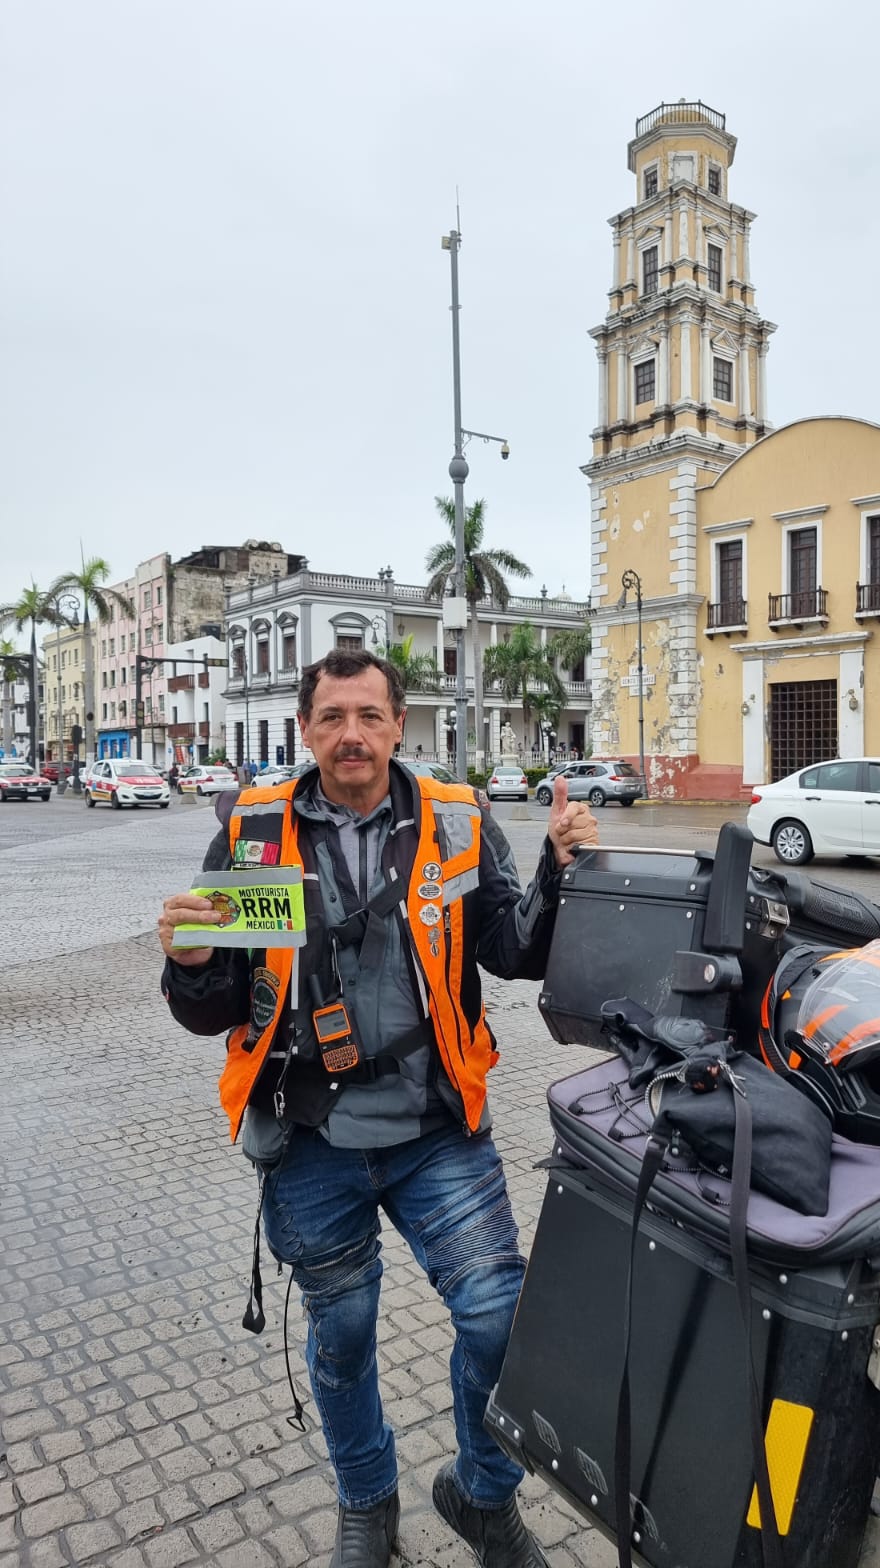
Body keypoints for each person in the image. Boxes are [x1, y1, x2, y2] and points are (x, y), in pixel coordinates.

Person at [157, 649, 598, 1568]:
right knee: (345, 1332)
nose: (350, 734)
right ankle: (368, 1501)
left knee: (497, 1317)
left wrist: (560, 872)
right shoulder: (256, 831)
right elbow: (216, 1010)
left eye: (368, 715)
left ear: (400, 725)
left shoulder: (455, 819)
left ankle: (481, 1493)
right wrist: (191, 963)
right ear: (306, 730)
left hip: (436, 1127)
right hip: (311, 1134)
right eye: (331, 718)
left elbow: (512, 950)